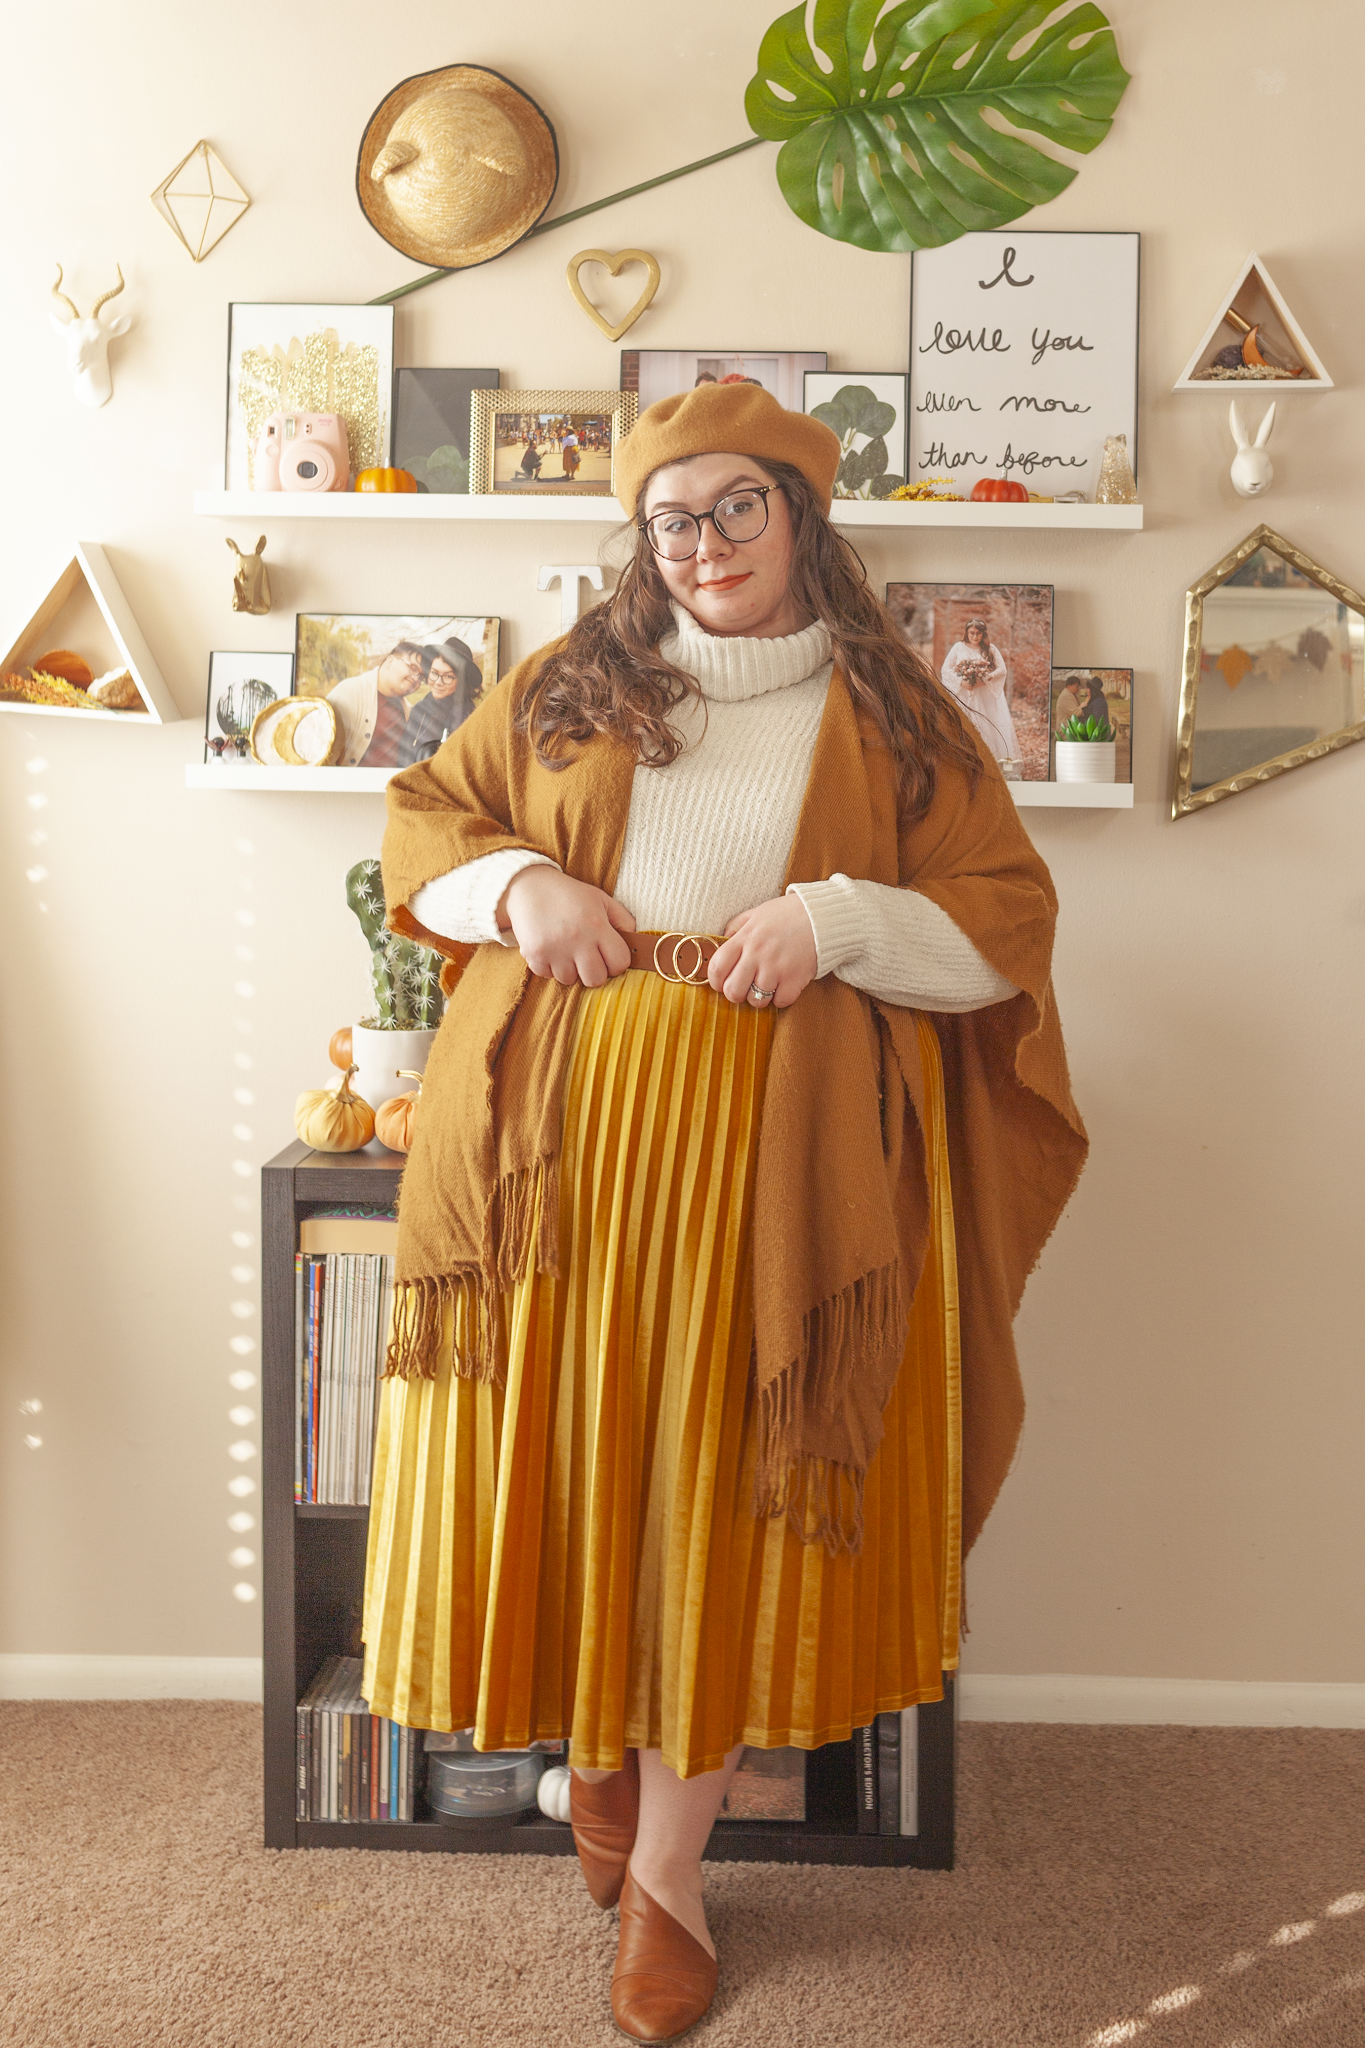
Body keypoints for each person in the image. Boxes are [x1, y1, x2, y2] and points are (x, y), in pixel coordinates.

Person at [367, 384, 1085, 2041]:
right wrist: (526, 884)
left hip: (781, 1163)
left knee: (720, 1491)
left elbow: (1005, 926)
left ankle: (675, 1871)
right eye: (672, 519)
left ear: (802, 515)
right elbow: (426, 822)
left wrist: (835, 919)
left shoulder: (898, 714)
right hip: (562, 1153)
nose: (701, 549)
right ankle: (597, 1757)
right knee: (581, 1455)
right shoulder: (566, 688)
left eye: (735, 512)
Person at [325, 641, 424, 766]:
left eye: (421, 676)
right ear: (390, 661)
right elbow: (322, 754)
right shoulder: (349, 693)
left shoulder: (410, 712)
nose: (416, 679)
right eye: (413, 668)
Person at [940, 617, 1021, 765]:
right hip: (964, 694)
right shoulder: (958, 647)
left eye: (978, 633)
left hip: (985, 695)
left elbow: (1002, 670)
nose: (975, 636)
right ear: (966, 633)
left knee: (986, 727)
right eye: (971, 633)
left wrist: (985, 679)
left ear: (983, 634)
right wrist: (961, 682)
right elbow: (945, 669)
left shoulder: (991, 649)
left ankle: (989, 761)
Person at [401, 637, 482, 763]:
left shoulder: (469, 717)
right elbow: (403, 757)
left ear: (462, 681)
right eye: (434, 673)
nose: (438, 682)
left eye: (448, 676)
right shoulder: (418, 710)